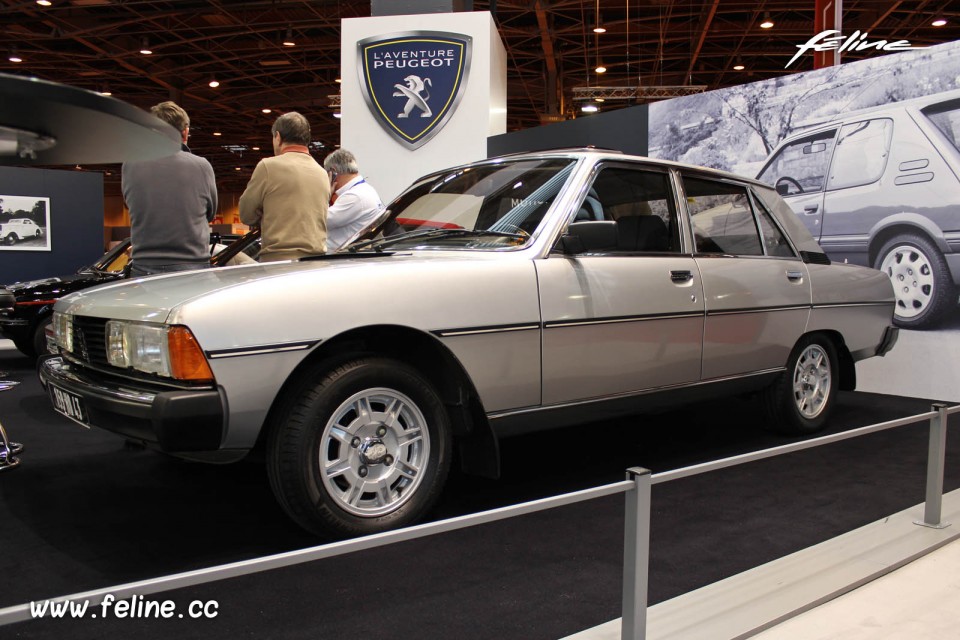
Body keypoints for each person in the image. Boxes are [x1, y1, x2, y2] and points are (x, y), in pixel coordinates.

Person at [122, 101, 218, 277]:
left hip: (144, 268)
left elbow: (131, 205)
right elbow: (210, 213)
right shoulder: (201, 166)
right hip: (192, 267)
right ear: (185, 132)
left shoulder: (130, 164)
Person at [238, 112, 329, 262]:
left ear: (278, 137)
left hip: (278, 261)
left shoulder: (268, 167)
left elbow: (246, 214)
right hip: (316, 262)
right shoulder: (322, 173)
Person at [322, 149, 385, 251]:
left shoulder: (355, 196)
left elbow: (320, 221)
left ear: (333, 172)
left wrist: (325, 194)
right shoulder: (364, 190)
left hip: (341, 260)